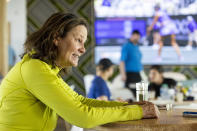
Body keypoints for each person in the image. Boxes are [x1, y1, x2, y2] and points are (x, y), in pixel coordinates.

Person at [0, 12, 159, 131]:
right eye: (78, 40)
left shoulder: (44, 68)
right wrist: (137, 111)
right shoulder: (34, 69)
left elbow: (80, 101)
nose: (83, 49)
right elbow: (82, 116)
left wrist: (129, 106)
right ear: (56, 38)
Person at [119, 30, 143, 98]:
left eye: (138, 37)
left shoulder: (137, 46)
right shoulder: (126, 46)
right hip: (130, 75)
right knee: (131, 95)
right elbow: (122, 61)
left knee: (140, 95)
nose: (137, 38)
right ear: (132, 36)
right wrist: (123, 74)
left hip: (138, 74)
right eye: (135, 36)